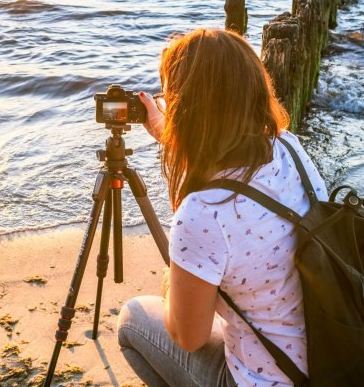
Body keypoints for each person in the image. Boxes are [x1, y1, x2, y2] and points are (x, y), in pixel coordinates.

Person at [117, 28, 328, 387]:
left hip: (262, 381)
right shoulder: (290, 148)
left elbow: (189, 338)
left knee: (131, 320)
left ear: (186, 107)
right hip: (330, 361)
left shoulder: (203, 213)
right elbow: (236, 175)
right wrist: (171, 134)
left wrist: (171, 282)